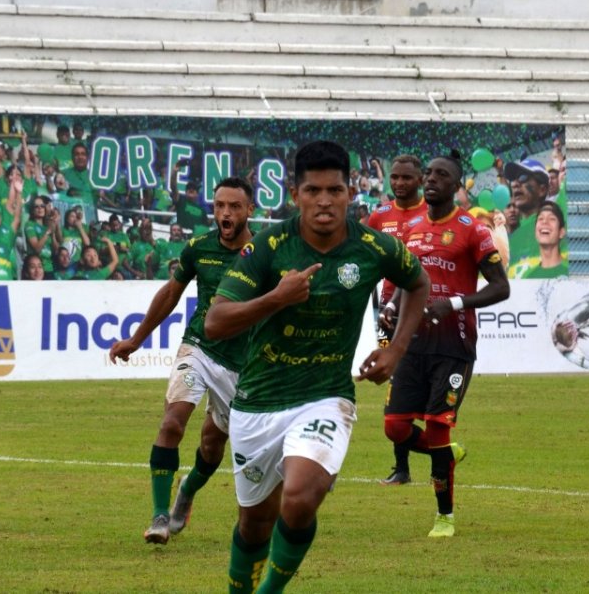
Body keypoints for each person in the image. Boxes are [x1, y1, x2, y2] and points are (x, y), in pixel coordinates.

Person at [206, 140, 430, 593]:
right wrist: (275, 298)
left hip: (326, 398)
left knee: (302, 496)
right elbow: (215, 322)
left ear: (351, 193)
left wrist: (395, 349)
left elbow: (418, 281)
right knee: (254, 523)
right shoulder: (269, 247)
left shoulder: (373, 246)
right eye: (313, 191)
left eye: (335, 190)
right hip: (258, 402)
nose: (324, 201)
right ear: (295, 195)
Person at [109, 177, 256, 545]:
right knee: (172, 423)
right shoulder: (198, 249)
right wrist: (136, 339)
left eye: (234, 206)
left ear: (249, 210)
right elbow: (171, 294)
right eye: (220, 205)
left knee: (211, 445)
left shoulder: (264, 253)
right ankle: (159, 516)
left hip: (243, 365)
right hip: (199, 349)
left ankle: (187, 491)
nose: (225, 212)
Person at [380, 153, 510, 537]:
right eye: (430, 174)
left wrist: (453, 303)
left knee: (437, 429)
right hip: (412, 341)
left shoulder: (473, 230)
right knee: (395, 427)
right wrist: (389, 307)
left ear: (456, 187)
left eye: (442, 175)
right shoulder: (413, 227)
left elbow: (502, 287)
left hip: (454, 345)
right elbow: (407, 281)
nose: (432, 180)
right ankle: (447, 455)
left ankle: (444, 517)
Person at [364, 153, 427, 486]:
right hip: (388, 312)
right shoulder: (380, 215)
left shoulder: (431, 213)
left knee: (422, 385)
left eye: (407, 177)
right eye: (395, 177)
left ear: (420, 179)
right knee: (396, 385)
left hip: (425, 309)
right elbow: (360, 248)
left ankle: (437, 456)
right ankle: (401, 467)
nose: (400, 183)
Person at [503, 158, 552, 268]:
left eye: (522, 177)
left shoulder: (555, 225)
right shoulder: (508, 241)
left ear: (542, 190)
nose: (515, 184)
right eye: (513, 180)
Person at [512, 201, 569, 279]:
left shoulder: (570, 272)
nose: (544, 222)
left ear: (561, 232)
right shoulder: (529, 277)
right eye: (541, 218)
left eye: (551, 219)